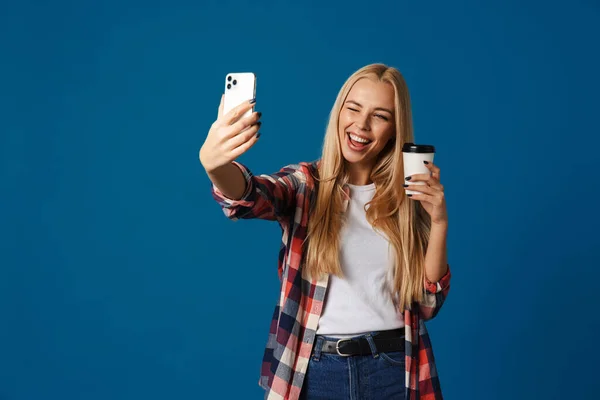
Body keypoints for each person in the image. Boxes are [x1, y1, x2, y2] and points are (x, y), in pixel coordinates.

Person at [199, 63, 451, 400]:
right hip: (318, 373)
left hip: (394, 369)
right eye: (353, 108)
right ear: (339, 112)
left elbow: (426, 304)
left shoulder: (407, 198)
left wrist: (438, 223)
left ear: (394, 129)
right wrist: (216, 167)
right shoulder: (306, 185)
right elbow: (251, 196)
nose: (361, 125)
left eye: (379, 116)